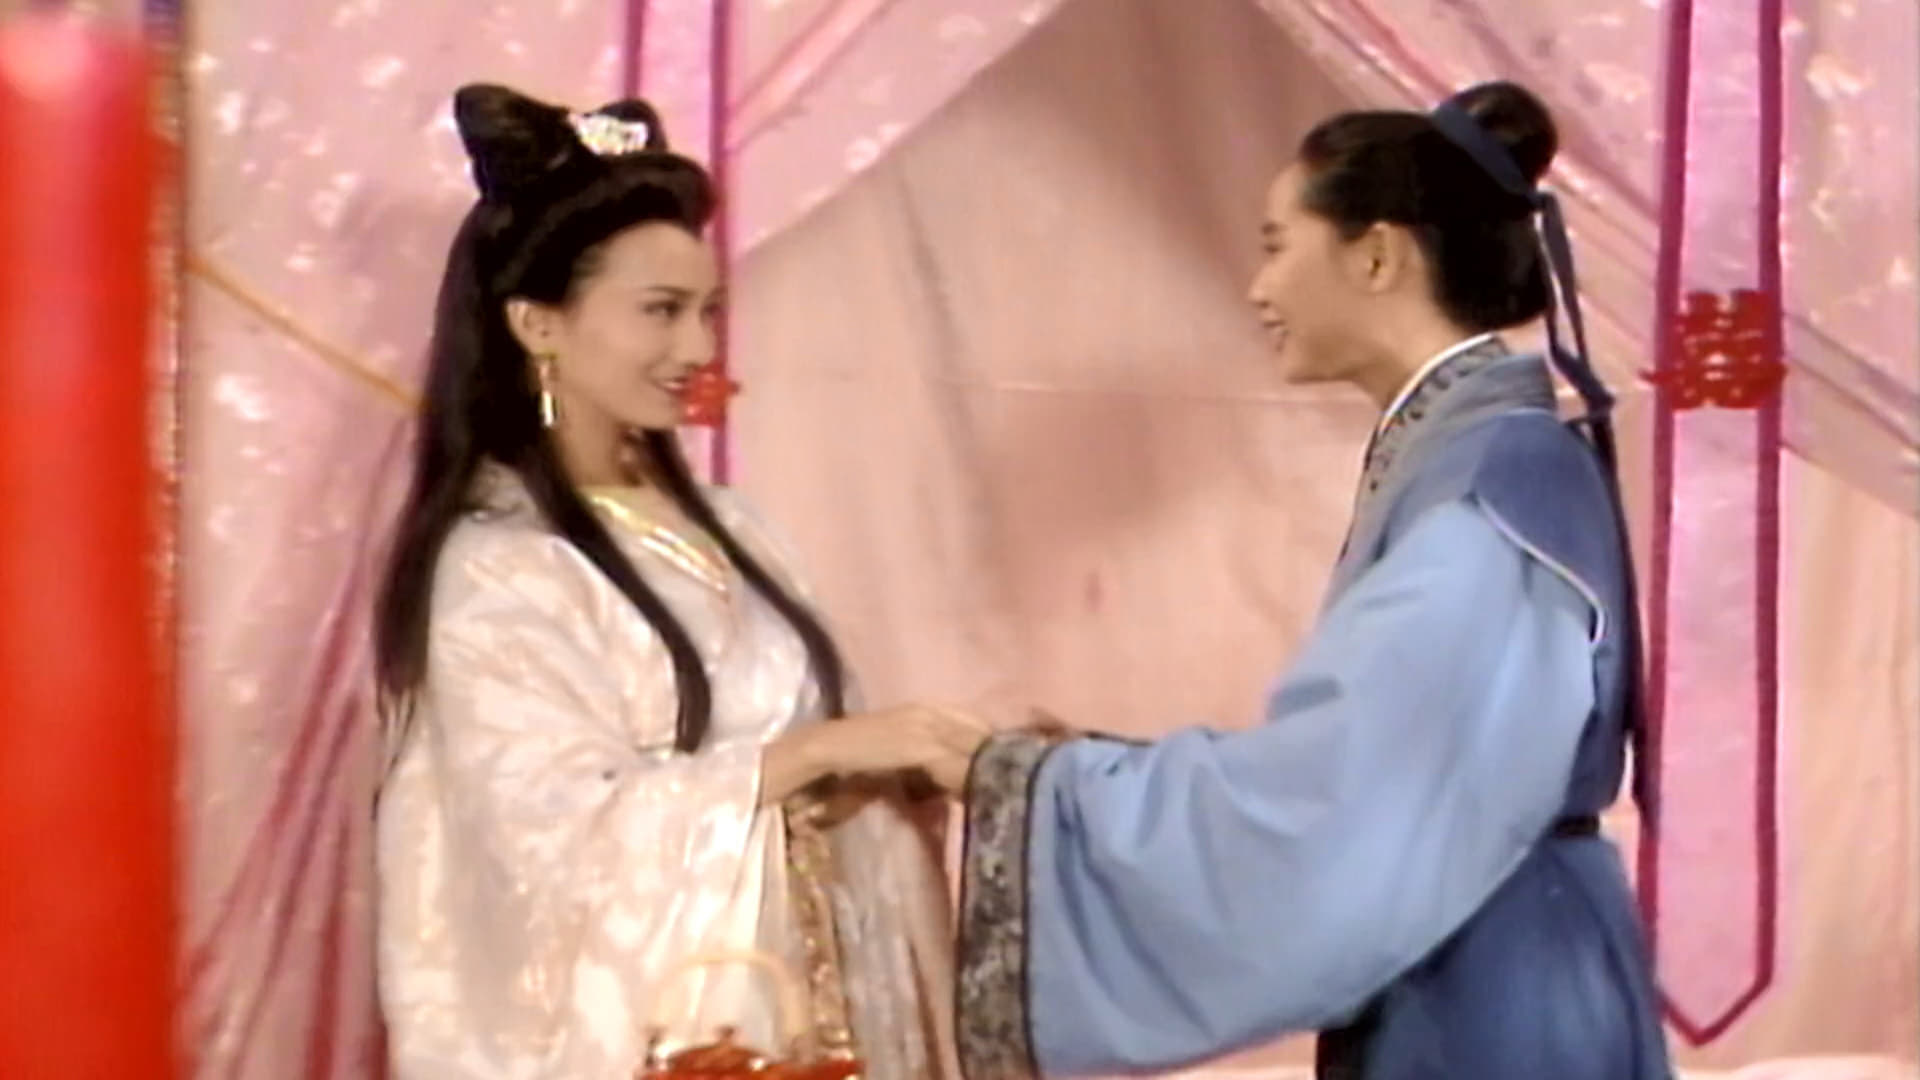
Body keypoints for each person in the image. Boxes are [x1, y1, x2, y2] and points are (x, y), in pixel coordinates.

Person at [937, 81, 1672, 1080]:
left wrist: (1037, 785)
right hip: (1480, 941)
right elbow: (1376, 763)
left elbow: (1343, 790)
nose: (1258, 287)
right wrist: (1087, 768)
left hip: (1492, 985)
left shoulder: (1495, 477)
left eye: (1278, 245)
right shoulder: (1471, 457)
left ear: (1375, 256)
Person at [371, 83, 982, 1080]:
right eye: (661, 311)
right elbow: (549, 849)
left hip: (808, 1022)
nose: (697, 348)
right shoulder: (498, 568)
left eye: (708, 312)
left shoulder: (738, 529)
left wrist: (890, 775)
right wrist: (812, 753)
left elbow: (815, 770)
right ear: (536, 323)